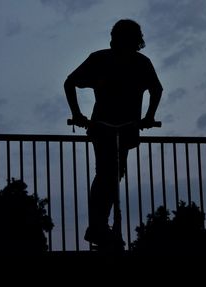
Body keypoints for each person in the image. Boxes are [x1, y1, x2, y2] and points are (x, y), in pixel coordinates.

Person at [64, 19, 163, 249]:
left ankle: (99, 225)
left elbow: (157, 90)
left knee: (112, 172)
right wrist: (77, 114)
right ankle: (99, 226)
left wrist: (148, 117)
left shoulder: (131, 62)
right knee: (108, 172)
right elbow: (70, 82)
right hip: (107, 127)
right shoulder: (107, 59)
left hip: (122, 127)